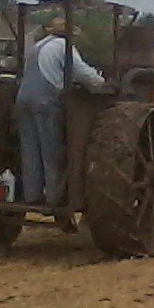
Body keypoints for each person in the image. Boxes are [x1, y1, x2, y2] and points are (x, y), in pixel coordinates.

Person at [13, 18, 106, 208]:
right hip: (45, 102)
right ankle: (53, 199)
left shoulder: (37, 46)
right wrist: (101, 82)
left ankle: (32, 195)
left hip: (22, 100)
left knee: (30, 151)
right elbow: (83, 73)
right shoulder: (64, 47)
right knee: (50, 151)